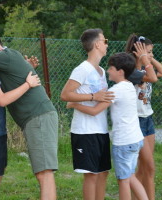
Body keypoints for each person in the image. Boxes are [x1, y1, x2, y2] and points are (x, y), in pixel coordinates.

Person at [0, 29, 58, 200]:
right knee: (40, 173)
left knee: (44, 172)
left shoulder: (4, 56)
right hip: (30, 119)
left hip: (39, 116)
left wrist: (26, 79)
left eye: (1, 44)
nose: (2, 49)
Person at [67, 52, 149, 200]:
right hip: (136, 139)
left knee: (123, 181)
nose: (108, 70)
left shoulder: (115, 91)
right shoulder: (130, 86)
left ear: (120, 72)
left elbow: (94, 111)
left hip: (123, 143)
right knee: (130, 176)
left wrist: (74, 104)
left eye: (111, 68)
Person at [60, 28, 113, 200]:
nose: (107, 44)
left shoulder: (102, 71)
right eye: (105, 41)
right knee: (91, 175)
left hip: (101, 129)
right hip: (84, 131)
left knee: (103, 172)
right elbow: (65, 95)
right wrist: (92, 96)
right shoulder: (82, 69)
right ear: (97, 44)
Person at [125, 34, 162, 200]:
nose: (151, 55)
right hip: (136, 122)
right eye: (148, 52)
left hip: (148, 120)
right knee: (149, 168)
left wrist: (149, 58)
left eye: (151, 52)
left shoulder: (145, 68)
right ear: (138, 52)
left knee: (145, 168)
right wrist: (145, 58)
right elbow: (153, 78)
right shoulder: (132, 72)